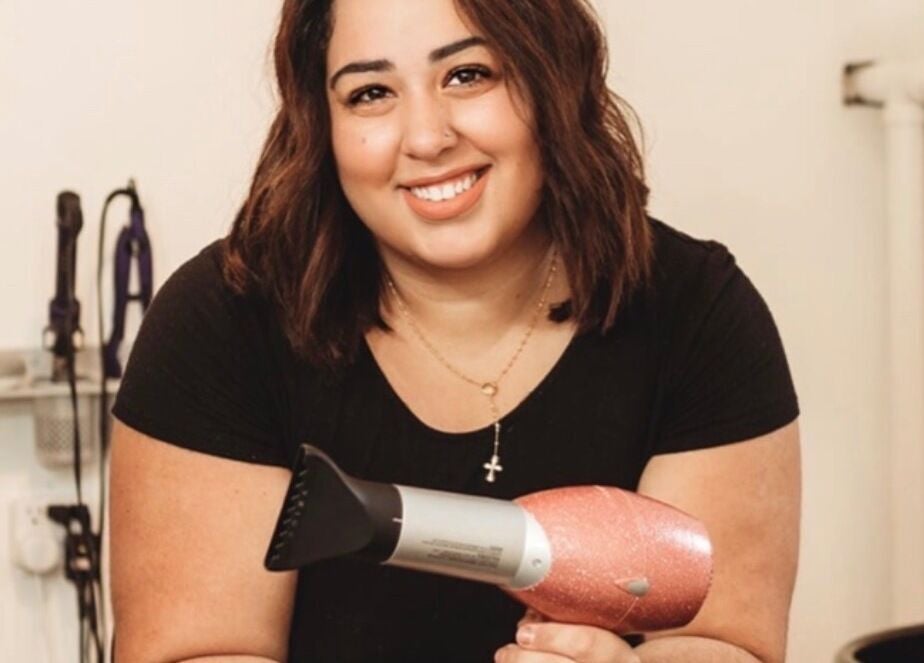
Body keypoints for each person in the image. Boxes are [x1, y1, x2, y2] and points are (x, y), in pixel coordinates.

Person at [109, 0, 801, 661]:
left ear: (550, 76)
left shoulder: (697, 315)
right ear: (321, 122)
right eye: (370, 93)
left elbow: (726, 641)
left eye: (468, 75)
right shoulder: (221, 324)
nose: (427, 138)